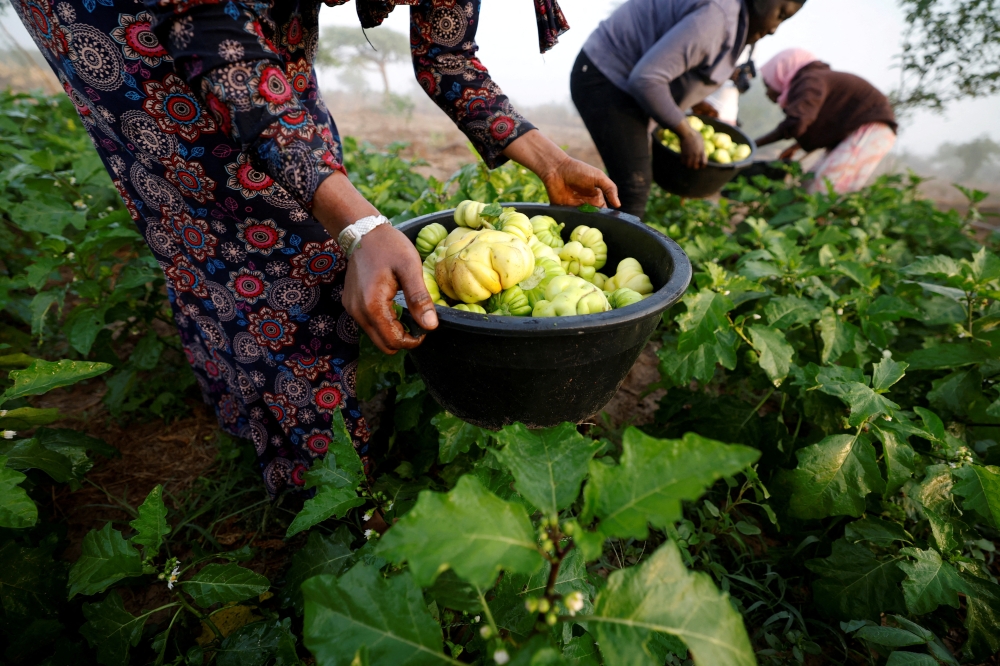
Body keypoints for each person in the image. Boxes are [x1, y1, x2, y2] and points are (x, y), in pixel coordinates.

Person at [11, 0, 618, 495]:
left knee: (309, 178)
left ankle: (266, 409)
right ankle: (322, 492)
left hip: (246, 23)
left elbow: (447, 55)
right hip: (118, 22)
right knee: (242, 226)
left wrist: (551, 159)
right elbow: (216, 33)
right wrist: (358, 227)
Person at [570, 0, 805, 218]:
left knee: (626, 181)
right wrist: (686, 132)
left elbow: (675, 65)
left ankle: (594, 238)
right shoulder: (718, 17)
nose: (775, 28)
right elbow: (646, 80)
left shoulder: (733, 19)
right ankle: (607, 253)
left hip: (625, 87)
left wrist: (692, 103)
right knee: (633, 187)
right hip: (606, 77)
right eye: (780, 14)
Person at [755, 48, 898, 194]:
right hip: (857, 132)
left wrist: (753, 144)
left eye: (767, 84)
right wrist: (796, 146)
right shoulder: (813, 80)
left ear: (780, 73)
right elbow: (822, 121)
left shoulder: (811, 81)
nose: (767, 92)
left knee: (826, 189)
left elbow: (797, 122)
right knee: (807, 185)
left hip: (871, 130)